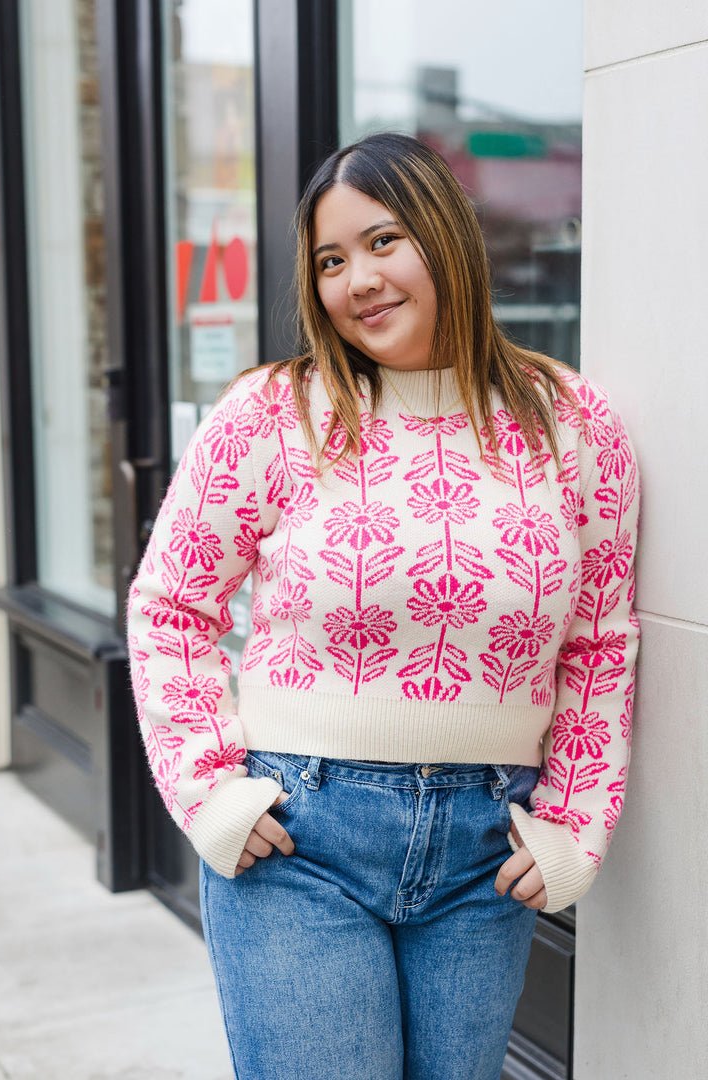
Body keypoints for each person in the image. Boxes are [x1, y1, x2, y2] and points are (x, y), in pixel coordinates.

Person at [127, 132, 639, 1080]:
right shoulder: (272, 412)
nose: (357, 280)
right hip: (297, 839)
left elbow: (600, 643)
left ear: (447, 237)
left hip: (488, 851)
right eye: (330, 261)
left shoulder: (571, 421)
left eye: (382, 241)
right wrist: (207, 790)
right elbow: (172, 606)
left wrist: (577, 823)